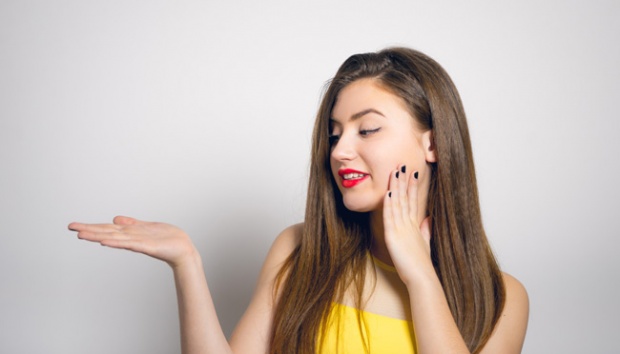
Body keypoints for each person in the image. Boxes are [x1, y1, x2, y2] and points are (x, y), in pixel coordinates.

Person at [68, 47, 529, 354]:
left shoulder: (501, 297)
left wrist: (420, 276)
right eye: (335, 133)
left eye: (367, 129)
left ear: (433, 145)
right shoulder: (299, 250)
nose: (340, 150)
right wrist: (186, 263)